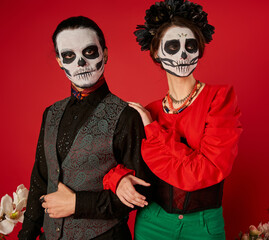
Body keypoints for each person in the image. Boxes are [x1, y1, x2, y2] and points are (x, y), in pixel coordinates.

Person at [103, 0, 243, 239]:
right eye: (172, 47)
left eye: (190, 46)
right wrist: (118, 179)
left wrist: (154, 130)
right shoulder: (150, 111)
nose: (182, 55)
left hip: (203, 225)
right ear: (156, 52)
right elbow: (116, 162)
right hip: (152, 222)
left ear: (199, 49)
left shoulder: (219, 99)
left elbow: (205, 171)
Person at [18, 16, 152, 240]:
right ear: (60, 62)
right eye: (69, 55)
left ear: (105, 54)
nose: (80, 63)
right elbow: (40, 179)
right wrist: (27, 235)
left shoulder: (126, 116)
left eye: (89, 52)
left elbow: (141, 192)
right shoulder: (50, 113)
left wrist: (77, 204)